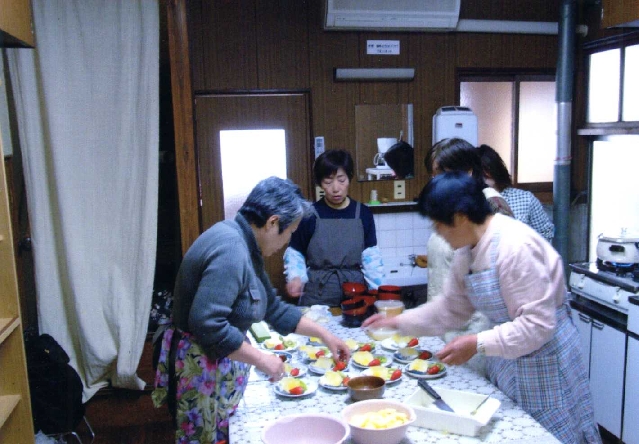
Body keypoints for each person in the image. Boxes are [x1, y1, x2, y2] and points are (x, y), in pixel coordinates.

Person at [363, 172, 601, 444]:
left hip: (546, 360)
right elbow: (449, 309)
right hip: (508, 356)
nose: (436, 232)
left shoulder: (515, 246)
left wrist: (477, 342)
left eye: (439, 224)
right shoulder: (467, 251)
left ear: (461, 217)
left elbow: (537, 325)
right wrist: (398, 322)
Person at [152, 177, 352, 444]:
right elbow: (207, 323)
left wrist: (325, 335)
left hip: (217, 363)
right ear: (272, 223)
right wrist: (261, 359)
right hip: (201, 368)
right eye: (289, 232)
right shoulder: (231, 249)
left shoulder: (245, 243)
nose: (288, 241)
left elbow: (273, 308)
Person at [424, 138, 514, 375]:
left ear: (468, 171)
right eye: (433, 175)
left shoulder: (491, 205)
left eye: (442, 174)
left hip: (476, 331)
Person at [284, 149, 384, 307]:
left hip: (355, 293)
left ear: (349, 178)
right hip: (317, 293)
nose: (335, 188)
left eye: (341, 180)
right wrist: (295, 277)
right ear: (320, 183)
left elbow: (371, 258)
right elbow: (295, 252)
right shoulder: (309, 215)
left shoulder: (363, 213)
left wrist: (379, 292)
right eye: (328, 181)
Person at [477, 144, 555, 243]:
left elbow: (546, 232)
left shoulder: (525, 199)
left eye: (485, 174)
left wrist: (527, 248)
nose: (483, 179)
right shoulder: (470, 202)